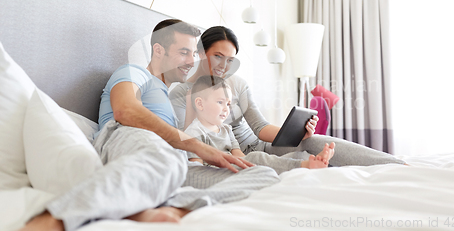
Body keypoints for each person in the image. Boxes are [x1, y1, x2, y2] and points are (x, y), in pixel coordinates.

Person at [21, 20, 279, 231]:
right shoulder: (134, 72)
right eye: (183, 52)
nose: (191, 61)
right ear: (158, 51)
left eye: (193, 53)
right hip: (130, 136)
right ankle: (49, 223)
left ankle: (170, 208)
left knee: (262, 174)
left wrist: (205, 151)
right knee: (162, 158)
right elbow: (125, 109)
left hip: (175, 163)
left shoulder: (169, 95)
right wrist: (196, 146)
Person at [170, 26, 407, 167]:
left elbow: (260, 126)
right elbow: (187, 139)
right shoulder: (182, 93)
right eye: (218, 56)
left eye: (230, 60)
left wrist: (294, 133)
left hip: (261, 144)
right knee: (292, 160)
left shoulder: (237, 84)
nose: (224, 65)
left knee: (313, 142)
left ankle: (394, 164)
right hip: (234, 154)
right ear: (201, 53)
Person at [185, 75, 335, 174]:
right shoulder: (193, 133)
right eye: (220, 102)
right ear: (200, 103)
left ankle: (308, 160)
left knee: (264, 157)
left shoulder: (226, 129)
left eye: (228, 104)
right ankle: (305, 166)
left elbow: (241, 156)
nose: (226, 109)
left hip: (235, 166)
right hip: (218, 171)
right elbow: (197, 169)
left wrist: (251, 165)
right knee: (256, 158)